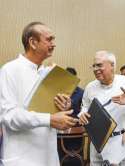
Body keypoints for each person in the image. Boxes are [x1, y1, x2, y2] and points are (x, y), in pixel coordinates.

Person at [0, 22, 78, 166]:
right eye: (49, 39)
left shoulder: (48, 73)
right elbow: (9, 116)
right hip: (22, 159)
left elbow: (51, 114)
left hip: (49, 156)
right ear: (33, 42)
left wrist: (63, 107)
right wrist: (49, 119)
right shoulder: (9, 70)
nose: (54, 44)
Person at [78, 50, 125, 165]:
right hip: (97, 144)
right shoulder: (90, 87)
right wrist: (82, 114)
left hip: (123, 141)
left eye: (99, 65)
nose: (95, 69)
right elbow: (84, 107)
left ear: (112, 65)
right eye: (93, 66)